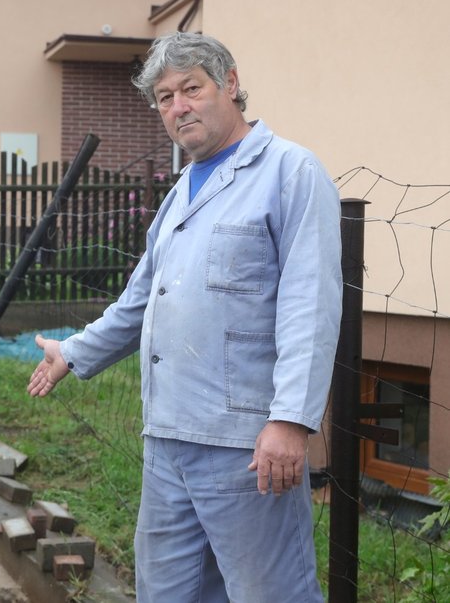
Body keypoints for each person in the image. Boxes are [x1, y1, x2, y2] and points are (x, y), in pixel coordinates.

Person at [27, 32, 341, 602]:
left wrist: (291, 421)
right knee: (168, 594)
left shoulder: (290, 172)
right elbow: (141, 301)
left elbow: (311, 306)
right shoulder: (180, 194)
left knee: (269, 594)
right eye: (165, 97)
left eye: (191, 88)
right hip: (167, 442)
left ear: (231, 85)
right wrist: (74, 352)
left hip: (246, 448)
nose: (178, 107)